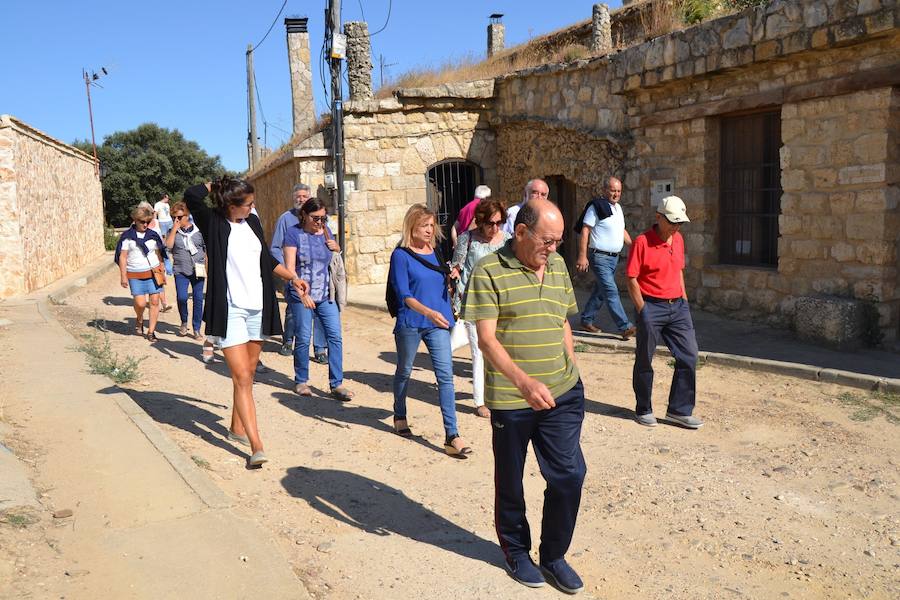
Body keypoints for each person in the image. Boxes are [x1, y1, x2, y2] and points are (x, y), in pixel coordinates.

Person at [463, 199, 586, 593]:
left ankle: (553, 556)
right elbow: (486, 339)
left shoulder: (559, 266)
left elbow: (563, 321)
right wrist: (524, 383)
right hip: (513, 400)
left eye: (558, 241)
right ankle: (517, 552)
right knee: (511, 481)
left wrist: (569, 366)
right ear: (520, 233)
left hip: (562, 393)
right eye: (547, 241)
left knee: (569, 476)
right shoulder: (488, 270)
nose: (553, 249)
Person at [184, 177, 310, 467]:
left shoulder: (251, 222)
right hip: (230, 310)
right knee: (241, 377)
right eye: (249, 203)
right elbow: (192, 195)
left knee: (248, 375)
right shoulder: (213, 222)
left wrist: (293, 277)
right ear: (231, 205)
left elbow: (266, 259)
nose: (253, 208)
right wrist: (217, 183)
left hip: (257, 307)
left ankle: (235, 428)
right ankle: (256, 446)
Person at [388, 204, 471, 457]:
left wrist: (451, 279)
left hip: (439, 322)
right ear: (411, 226)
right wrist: (428, 312)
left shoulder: (435, 252)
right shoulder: (400, 256)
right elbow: (404, 295)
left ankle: (452, 435)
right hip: (412, 321)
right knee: (405, 370)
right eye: (424, 225)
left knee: (446, 377)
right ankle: (399, 413)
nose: (429, 230)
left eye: (431, 225)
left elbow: (438, 282)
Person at [626, 195, 703, 429]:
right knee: (644, 359)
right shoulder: (642, 242)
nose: (676, 227)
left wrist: (685, 300)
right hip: (652, 306)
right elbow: (631, 279)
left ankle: (679, 411)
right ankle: (644, 408)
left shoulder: (678, 239)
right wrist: (643, 311)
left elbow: (678, 270)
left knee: (689, 356)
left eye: (680, 223)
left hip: (678, 306)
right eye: (672, 222)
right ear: (658, 217)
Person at [283, 199, 353, 401]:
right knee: (304, 337)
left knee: (335, 337)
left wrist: (337, 248)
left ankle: (336, 384)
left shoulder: (327, 232)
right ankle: (301, 380)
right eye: (316, 218)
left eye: (324, 218)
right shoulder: (293, 233)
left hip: (326, 294)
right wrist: (301, 293)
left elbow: (334, 261)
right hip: (301, 295)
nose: (320, 222)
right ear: (304, 214)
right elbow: (289, 269)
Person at [449, 198, 510, 419]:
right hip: (473, 302)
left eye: (499, 223)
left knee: (500, 350)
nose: (495, 228)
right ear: (481, 221)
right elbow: (457, 266)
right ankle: (480, 401)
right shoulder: (468, 239)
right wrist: (454, 275)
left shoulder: (507, 241)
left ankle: (500, 393)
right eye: (491, 223)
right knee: (480, 352)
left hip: (501, 303)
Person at [270, 183, 329, 363]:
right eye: (298, 197)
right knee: (292, 312)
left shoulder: (320, 220)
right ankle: (288, 341)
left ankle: (319, 349)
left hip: (317, 276)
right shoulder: (285, 219)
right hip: (294, 275)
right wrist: (287, 272)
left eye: (304, 196)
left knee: (318, 314)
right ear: (293, 198)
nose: (301, 199)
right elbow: (275, 248)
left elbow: (328, 241)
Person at [575, 176, 636, 340]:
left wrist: (635, 246)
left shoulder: (618, 209)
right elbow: (585, 230)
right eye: (612, 190)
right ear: (605, 190)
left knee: (601, 291)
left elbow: (621, 231)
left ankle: (586, 320)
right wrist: (582, 256)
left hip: (613, 259)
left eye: (618, 191)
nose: (616, 194)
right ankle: (624, 326)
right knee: (611, 290)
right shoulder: (596, 207)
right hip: (599, 257)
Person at [115, 205, 167, 342]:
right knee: (141, 303)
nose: (145, 224)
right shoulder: (127, 237)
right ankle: (139, 319)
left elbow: (159, 253)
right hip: (134, 274)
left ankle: (151, 331)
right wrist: (123, 276)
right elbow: (123, 257)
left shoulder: (153, 236)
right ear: (135, 221)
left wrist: (162, 268)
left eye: (147, 222)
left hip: (153, 272)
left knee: (155, 301)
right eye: (142, 221)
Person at [165, 201, 206, 339]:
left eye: (179, 217)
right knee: (182, 297)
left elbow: (206, 250)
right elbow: (169, 246)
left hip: (198, 269)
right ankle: (183, 321)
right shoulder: (172, 231)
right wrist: (175, 229)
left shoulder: (199, 231)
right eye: (174, 218)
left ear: (187, 216)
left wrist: (208, 267)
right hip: (180, 269)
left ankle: (196, 328)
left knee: (198, 298)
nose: (176, 220)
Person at [137, 201, 173, 313]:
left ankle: (163, 303)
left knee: (159, 279)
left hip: (158, 255)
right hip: (144, 257)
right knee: (151, 281)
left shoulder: (157, 222)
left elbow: (162, 236)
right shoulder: (137, 224)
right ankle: (151, 302)